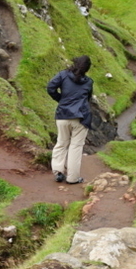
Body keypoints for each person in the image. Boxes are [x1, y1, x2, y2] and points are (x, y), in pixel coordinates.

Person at [46, 55, 93, 184]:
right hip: (80, 117)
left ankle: (58, 171)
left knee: (61, 143)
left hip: (63, 115)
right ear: (87, 68)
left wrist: (61, 100)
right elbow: (87, 98)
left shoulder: (63, 75)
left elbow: (50, 88)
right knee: (75, 147)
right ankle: (73, 178)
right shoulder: (88, 82)